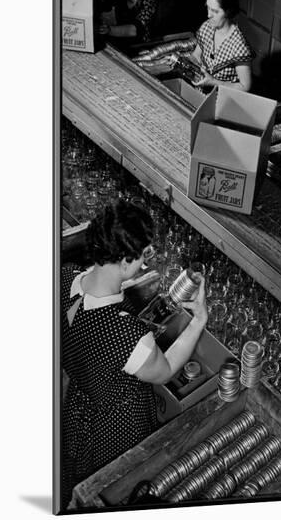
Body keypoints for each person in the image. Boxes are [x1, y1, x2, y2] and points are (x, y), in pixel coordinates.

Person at [61, 199, 207, 507]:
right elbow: (165, 369)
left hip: (78, 407)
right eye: (143, 257)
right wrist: (199, 321)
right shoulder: (124, 334)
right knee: (117, 489)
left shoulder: (64, 279)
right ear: (125, 261)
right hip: (115, 426)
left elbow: (86, 317)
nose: (145, 263)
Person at [189, 0, 253, 92]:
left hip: (225, 97)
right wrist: (187, 64)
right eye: (208, 8)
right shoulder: (207, 26)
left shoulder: (239, 46)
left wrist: (213, 82)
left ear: (228, 12)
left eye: (215, 11)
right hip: (200, 91)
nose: (209, 15)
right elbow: (196, 55)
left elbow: (245, 86)